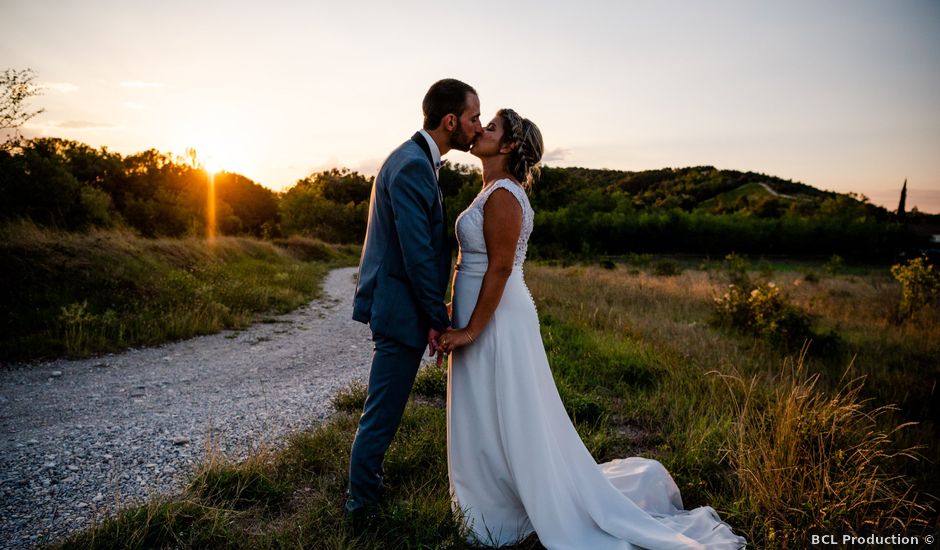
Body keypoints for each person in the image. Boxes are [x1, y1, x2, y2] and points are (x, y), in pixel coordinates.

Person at [437, 109, 747, 549]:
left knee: (509, 408)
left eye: (491, 128)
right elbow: (477, 263)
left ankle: (505, 513)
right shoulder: (489, 190)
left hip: (499, 319)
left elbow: (501, 268)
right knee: (489, 410)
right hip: (485, 311)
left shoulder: (504, 194)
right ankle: (493, 508)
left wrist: (469, 331)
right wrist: (454, 308)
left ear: (507, 146)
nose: (481, 130)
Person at [347, 78, 482, 522]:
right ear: (450, 121)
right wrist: (437, 316)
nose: (476, 127)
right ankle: (361, 506)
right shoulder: (411, 166)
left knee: (384, 409)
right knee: (381, 413)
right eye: (472, 118)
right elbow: (416, 255)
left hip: (405, 307)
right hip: (398, 309)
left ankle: (367, 491)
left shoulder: (419, 161)